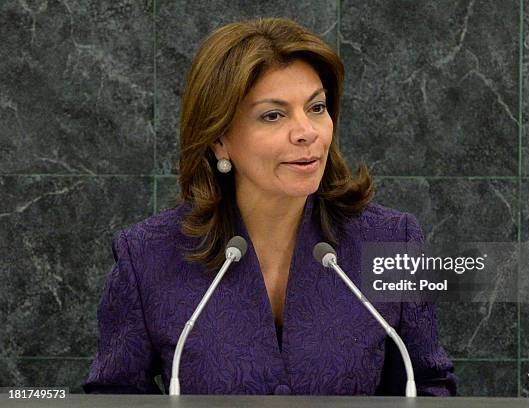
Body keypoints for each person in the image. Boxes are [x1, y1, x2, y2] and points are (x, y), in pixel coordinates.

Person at [83, 17, 457, 396]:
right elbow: (114, 397)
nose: (306, 132)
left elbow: (427, 384)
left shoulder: (394, 241)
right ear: (219, 140)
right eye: (273, 115)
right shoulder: (148, 256)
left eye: (316, 107)